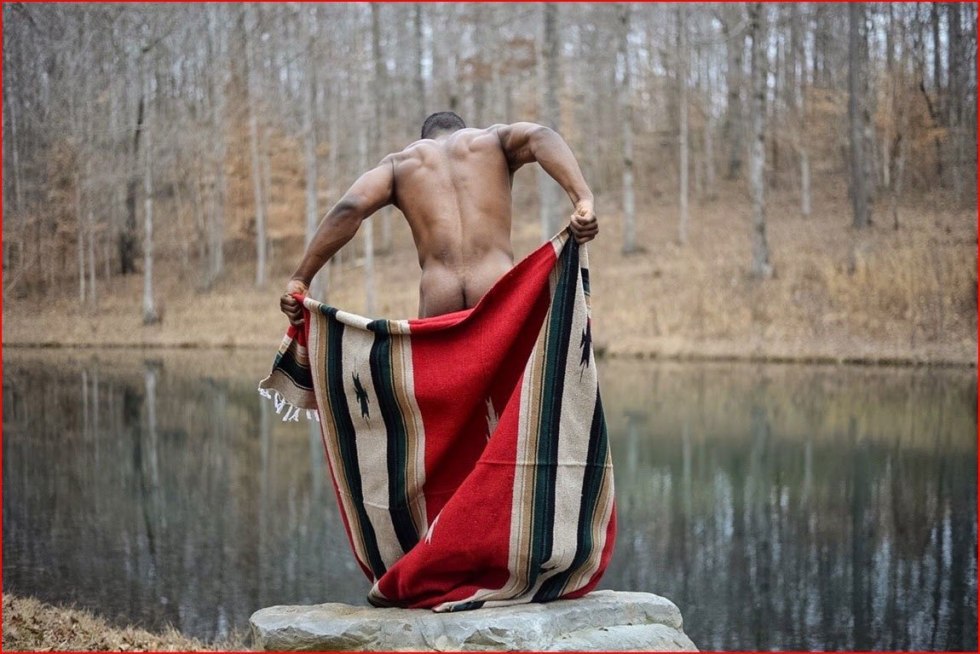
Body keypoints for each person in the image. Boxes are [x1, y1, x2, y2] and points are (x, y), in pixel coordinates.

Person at [280, 111, 597, 325]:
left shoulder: (400, 164)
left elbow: (349, 208)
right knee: (509, 407)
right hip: (496, 285)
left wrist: (301, 278)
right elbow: (541, 136)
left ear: (425, 137)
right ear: (462, 129)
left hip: (438, 293)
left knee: (443, 413)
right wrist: (581, 197)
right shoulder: (491, 141)